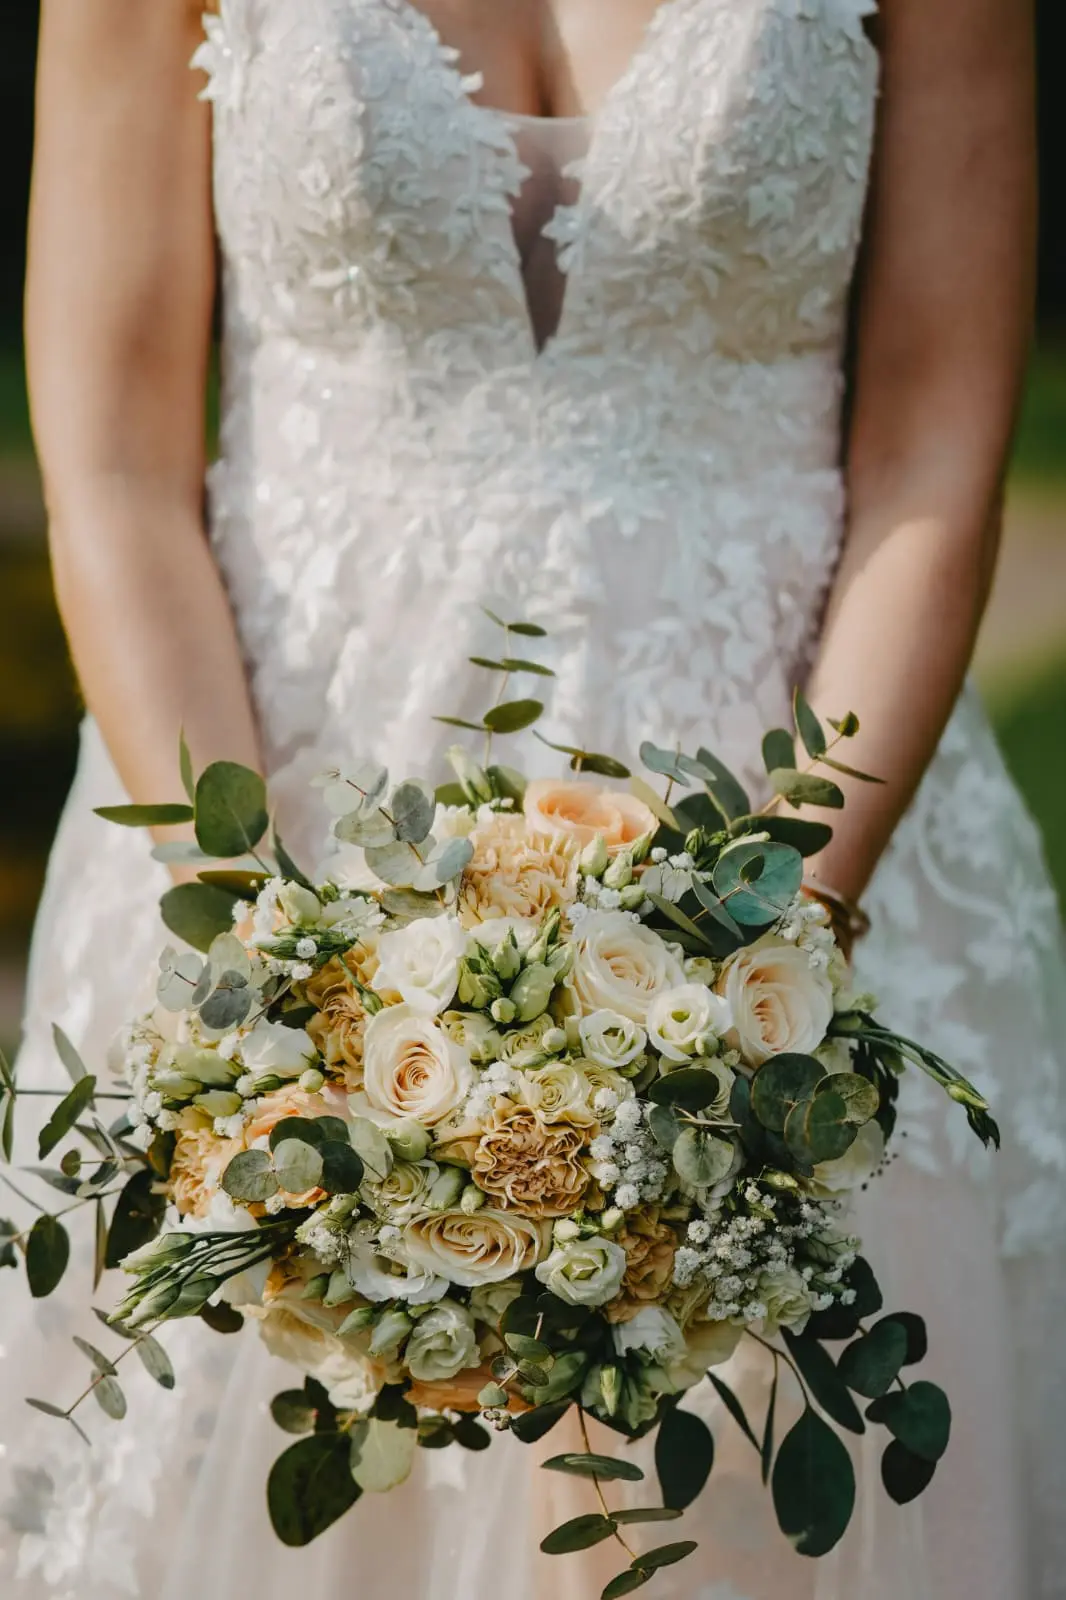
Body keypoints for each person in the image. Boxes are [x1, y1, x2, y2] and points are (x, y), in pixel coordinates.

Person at [2, 1, 1061, 1596]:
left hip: (813, 819)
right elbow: (114, 465)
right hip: (261, 815)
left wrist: (756, 974)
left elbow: (932, 446)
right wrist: (280, 979)